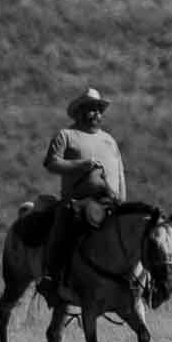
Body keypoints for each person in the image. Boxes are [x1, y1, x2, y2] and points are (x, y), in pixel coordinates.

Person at [38, 88, 127, 294]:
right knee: (63, 222)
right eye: (91, 109)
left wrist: (122, 199)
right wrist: (80, 165)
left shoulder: (109, 140)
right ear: (80, 111)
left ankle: (133, 282)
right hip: (77, 201)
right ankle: (52, 276)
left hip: (110, 202)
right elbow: (51, 163)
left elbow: (120, 172)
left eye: (99, 109)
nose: (97, 113)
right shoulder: (66, 136)